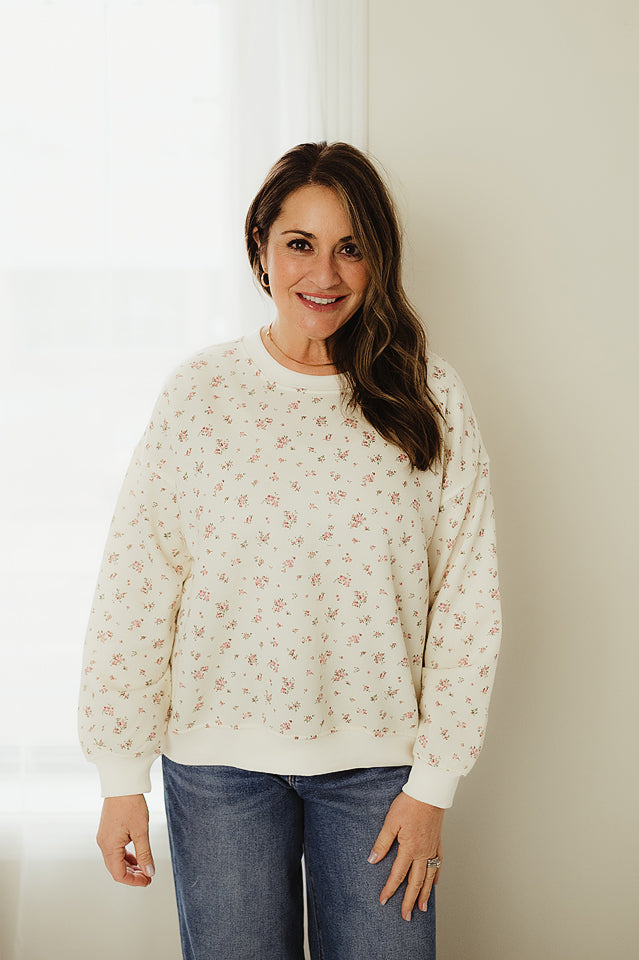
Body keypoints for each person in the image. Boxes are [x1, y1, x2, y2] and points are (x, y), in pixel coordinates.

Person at [79, 141, 501, 960]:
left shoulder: (427, 396)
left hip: (381, 770)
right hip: (216, 769)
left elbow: (466, 599)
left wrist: (433, 786)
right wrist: (120, 777)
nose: (325, 274)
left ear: (378, 259)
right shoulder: (201, 393)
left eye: (351, 247)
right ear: (260, 248)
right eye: (300, 244)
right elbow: (137, 582)